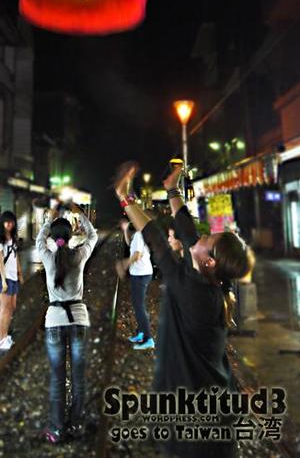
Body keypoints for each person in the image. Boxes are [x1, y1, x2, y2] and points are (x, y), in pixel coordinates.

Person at [114, 162, 252, 458]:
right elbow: (189, 236)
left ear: (210, 261)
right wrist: (173, 189)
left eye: (207, 240)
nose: (199, 239)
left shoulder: (195, 292)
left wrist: (125, 199)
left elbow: (156, 240)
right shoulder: (210, 281)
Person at [36, 202, 98, 444]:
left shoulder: (47, 257)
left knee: (57, 379)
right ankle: (77, 424)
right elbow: (92, 235)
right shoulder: (80, 255)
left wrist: (49, 219)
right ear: (72, 235)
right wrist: (80, 215)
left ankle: (57, 429)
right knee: (79, 378)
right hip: (79, 320)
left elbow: (42, 238)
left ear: (53, 236)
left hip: (54, 321)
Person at [117, 218, 155, 349]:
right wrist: (125, 230)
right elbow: (130, 245)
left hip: (141, 275)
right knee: (138, 305)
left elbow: (137, 255)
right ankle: (141, 333)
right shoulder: (138, 235)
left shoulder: (139, 234)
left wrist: (124, 264)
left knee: (139, 307)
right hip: (140, 274)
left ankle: (148, 339)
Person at [0, 211, 24, 351]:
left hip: (14, 278)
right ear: (2, 223)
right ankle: (0, 340)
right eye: (7, 222)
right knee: (4, 309)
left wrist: (20, 273)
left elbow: (15, 257)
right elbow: (0, 262)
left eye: (11, 221)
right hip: (5, 279)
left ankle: (5, 336)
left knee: (12, 307)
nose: (9, 224)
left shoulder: (13, 238)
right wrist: (4, 281)